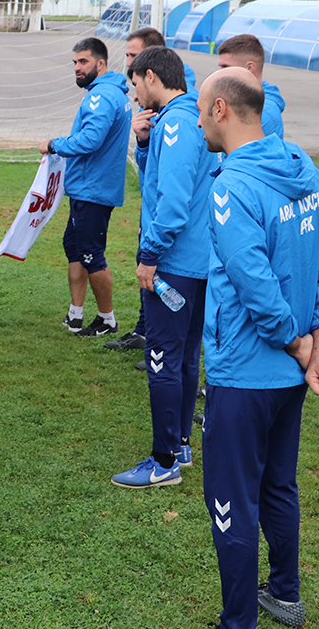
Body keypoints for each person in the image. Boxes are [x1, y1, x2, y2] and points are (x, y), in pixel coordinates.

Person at [163, 67, 319, 629]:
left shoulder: (233, 185)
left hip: (247, 371)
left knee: (230, 496)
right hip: (290, 373)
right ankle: (285, 595)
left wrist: (301, 344)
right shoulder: (303, 165)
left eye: (201, 109)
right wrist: (318, 342)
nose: (196, 121)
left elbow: (253, 281)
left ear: (220, 109)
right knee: (277, 483)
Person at [111, 47, 218, 489]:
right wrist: (143, 144)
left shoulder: (175, 124)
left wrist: (149, 256)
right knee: (186, 356)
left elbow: (171, 204)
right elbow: (163, 185)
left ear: (151, 77)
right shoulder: (191, 119)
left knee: (162, 361)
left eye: (135, 84)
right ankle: (181, 444)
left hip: (174, 263)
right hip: (201, 261)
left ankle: (163, 460)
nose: (134, 95)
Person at [38, 37, 134, 338]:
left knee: (91, 254)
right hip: (89, 188)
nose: (77, 68)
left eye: (84, 62)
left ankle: (107, 319)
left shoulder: (101, 96)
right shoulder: (112, 93)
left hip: (94, 189)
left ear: (101, 64)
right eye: (75, 62)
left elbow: (90, 140)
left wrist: (53, 144)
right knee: (74, 247)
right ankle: (76, 314)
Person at [105, 27, 169, 354]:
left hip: (165, 220)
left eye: (133, 56)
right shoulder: (154, 107)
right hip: (151, 210)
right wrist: (143, 143)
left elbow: (172, 191)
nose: (128, 63)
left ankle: (160, 345)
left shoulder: (176, 112)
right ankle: (146, 332)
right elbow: (151, 172)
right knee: (145, 265)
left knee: (159, 272)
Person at [217, 33, 284, 138]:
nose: (219, 74)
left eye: (226, 67)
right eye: (220, 67)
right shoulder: (246, 101)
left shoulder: (261, 113)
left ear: (249, 68)